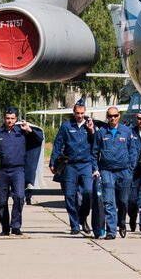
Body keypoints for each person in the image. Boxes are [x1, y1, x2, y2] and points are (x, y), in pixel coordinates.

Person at [0, 107, 33, 236]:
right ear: (4, 118)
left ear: (16, 119)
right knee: (2, 202)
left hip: (18, 170)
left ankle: (16, 226)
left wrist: (30, 130)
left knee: (19, 197)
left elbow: (38, 140)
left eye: (12, 118)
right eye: (7, 118)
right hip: (2, 171)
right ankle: (5, 227)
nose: (10, 121)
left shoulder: (22, 131)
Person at [50, 99, 96, 235]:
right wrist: (52, 162)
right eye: (77, 113)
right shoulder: (66, 126)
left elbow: (96, 143)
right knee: (70, 196)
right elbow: (58, 144)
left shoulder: (90, 125)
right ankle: (74, 225)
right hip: (70, 165)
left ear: (85, 112)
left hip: (86, 164)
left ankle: (83, 217)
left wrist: (92, 131)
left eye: (82, 113)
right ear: (73, 112)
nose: (80, 115)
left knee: (88, 192)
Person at [92, 106, 138, 239]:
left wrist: (130, 169)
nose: (113, 118)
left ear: (119, 116)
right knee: (109, 201)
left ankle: (122, 222)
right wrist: (96, 169)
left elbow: (133, 151)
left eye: (115, 115)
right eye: (110, 116)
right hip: (107, 171)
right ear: (107, 117)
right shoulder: (101, 132)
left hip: (124, 172)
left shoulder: (126, 131)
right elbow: (94, 153)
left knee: (123, 201)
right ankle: (111, 231)